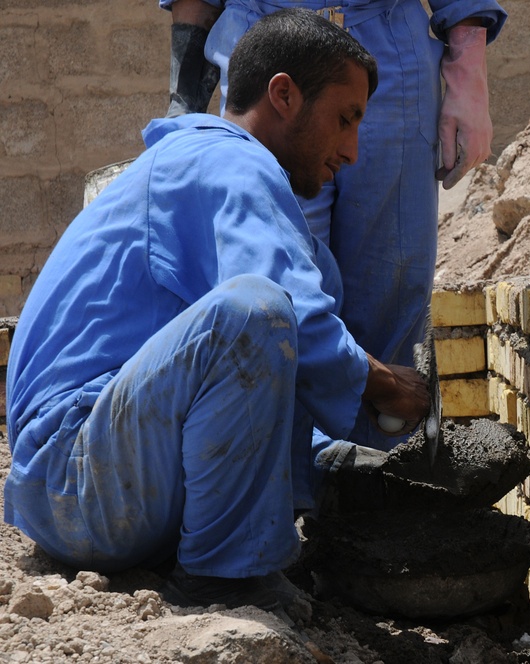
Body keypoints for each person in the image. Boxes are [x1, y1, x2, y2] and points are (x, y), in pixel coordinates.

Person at [3, 9, 429, 614]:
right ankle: (225, 578)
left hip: (105, 480)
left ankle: (259, 531)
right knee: (259, 311)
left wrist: (332, 463)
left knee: (285, 301)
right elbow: (293, 327)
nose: (353, 150)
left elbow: (250, 387)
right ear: (283, 94)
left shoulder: (208, 169)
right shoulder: (231, 163)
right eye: (344, 119)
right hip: (78, 481)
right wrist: (391, 387)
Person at [162, 0, 507, 451]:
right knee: (279, 282)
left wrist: (469, 73)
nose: (351, 150)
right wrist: (184, 97)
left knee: (393, 275)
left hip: (389, 46)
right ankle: (294, 477)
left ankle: (380, 471)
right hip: (271, 42)